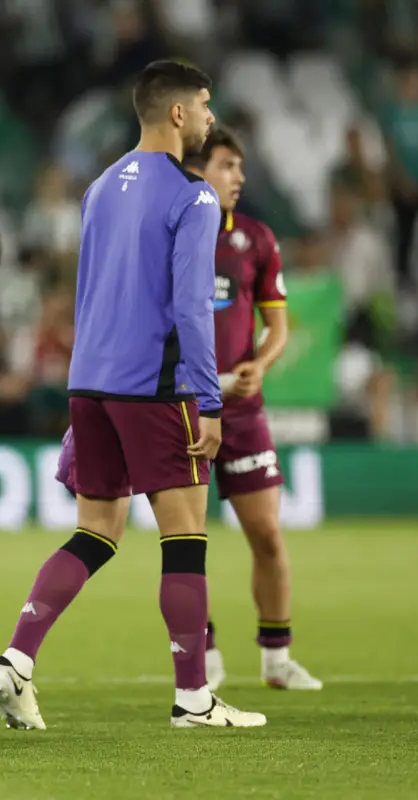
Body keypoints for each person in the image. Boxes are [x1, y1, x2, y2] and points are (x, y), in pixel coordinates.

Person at [0, 60, 266, 729]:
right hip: (156, 387)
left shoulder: (100, 188)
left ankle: (16, 660)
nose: (208, 118)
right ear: (175, 113)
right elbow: (192, 309)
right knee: (185, 538)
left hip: (91, 383)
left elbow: (91, 290)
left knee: (96, 530)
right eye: (202, 105)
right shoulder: (193, 198)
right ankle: (194, 697)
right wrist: (210, 402)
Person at [183, 127, 322, 691]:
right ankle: (206, 657)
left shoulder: (258, 239)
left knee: (266, 534)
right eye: (228, 165)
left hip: (243, 409)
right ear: (198, 171)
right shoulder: (172, 234)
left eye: (240, 167)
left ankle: (276, 657)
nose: (239, 177)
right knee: (187, 541)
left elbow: (278, 326)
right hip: (185, 408)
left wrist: (258, 368)